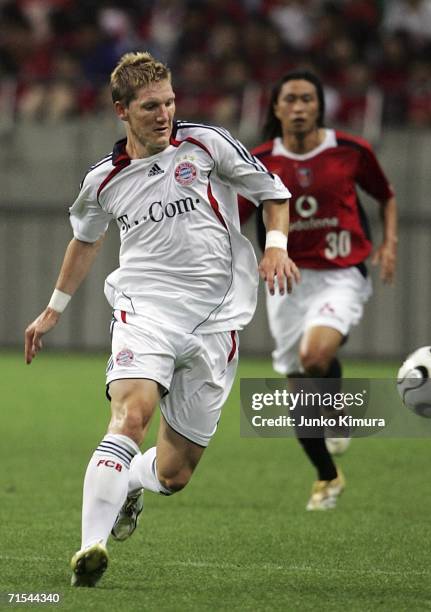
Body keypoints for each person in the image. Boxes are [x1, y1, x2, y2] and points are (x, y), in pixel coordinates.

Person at [24, 51, 299, 587]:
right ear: (121, 110)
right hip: (143, 312)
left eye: (170, 102)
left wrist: (276, 246)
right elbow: (85, 238)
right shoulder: (103, 180)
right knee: (130, 417)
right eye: (151, 106)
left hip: (217, 322)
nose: (164, 114)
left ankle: (131, 483)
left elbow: (274, 194)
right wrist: (53, 310)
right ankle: (90, 549)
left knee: (174, 474)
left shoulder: (208, 145)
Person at [239, 70, 398, 511]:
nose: (300, 107)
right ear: (275, 108)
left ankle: (338, 412)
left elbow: (385, 194)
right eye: (290, 99)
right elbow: (231, 214)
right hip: (286, 279)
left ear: (319, 106)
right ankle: (327, 477)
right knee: (300, 387)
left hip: (341, 273)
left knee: (314, 356)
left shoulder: (350, 150)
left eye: (308, 99)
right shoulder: (258, 160)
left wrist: (389, 244)